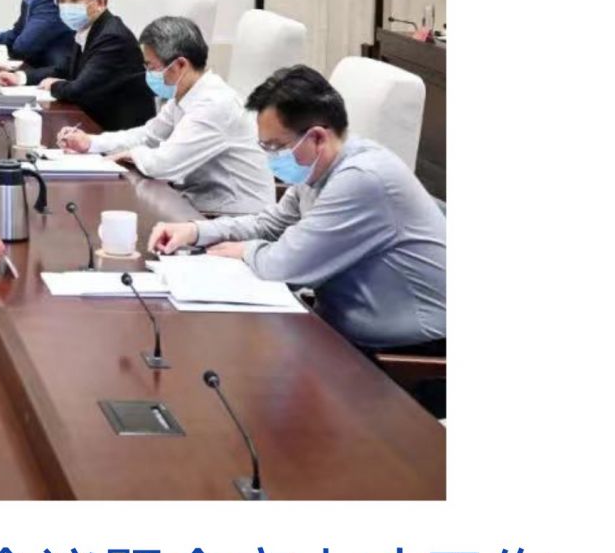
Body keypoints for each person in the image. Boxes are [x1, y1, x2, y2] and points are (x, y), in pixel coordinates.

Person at [150, 63, 447, 351]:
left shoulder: (362, 179)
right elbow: (269, 224)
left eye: (276, 147)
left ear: (316, 137)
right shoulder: (318, 167)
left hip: (410, 347)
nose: (271, 158)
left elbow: (284, 266)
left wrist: (245, 251)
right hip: (338, 326)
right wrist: (195, 231)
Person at [64, 12, 273, 219]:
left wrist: (131, 154)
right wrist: (91, 142)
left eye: (151, 67)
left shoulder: (214, 104)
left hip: (233, 217)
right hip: (199, 203)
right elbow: (148, 135)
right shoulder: (185, 95)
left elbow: (164, 165)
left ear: (180, 65)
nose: (148, 74)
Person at [30, 0, 155, 130]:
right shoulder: (87, 28)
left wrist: (53, 85)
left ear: (100, 2)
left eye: (74, 0)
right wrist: (20, 77)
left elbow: (78, 90)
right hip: (92, 121)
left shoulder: (112, 38)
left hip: (115, 131)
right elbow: (63, 70)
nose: (65, 7)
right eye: (61, 0)